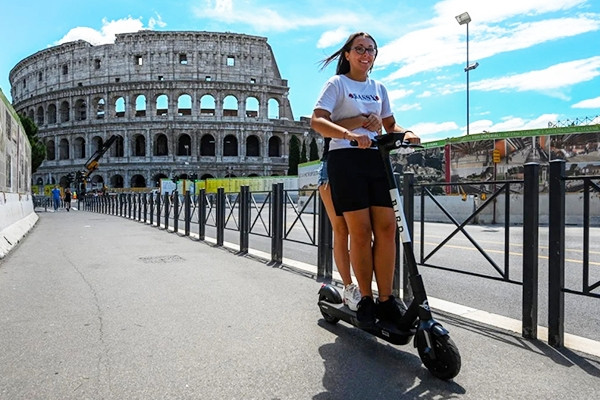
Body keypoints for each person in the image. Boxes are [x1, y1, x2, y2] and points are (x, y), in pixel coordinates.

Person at [311, 32, 420, 329]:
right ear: (347, 54)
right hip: (345, 159)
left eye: (371, 49)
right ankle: (367, 299)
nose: (366, 54)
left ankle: (387, 300)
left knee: (386, 228)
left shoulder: (379, 88)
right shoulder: (337, 84)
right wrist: (352, 130)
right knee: (359, 231)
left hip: (375, 158)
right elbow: (318, 121)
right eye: (359, 49)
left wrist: (406, 133)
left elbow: (389, 124)